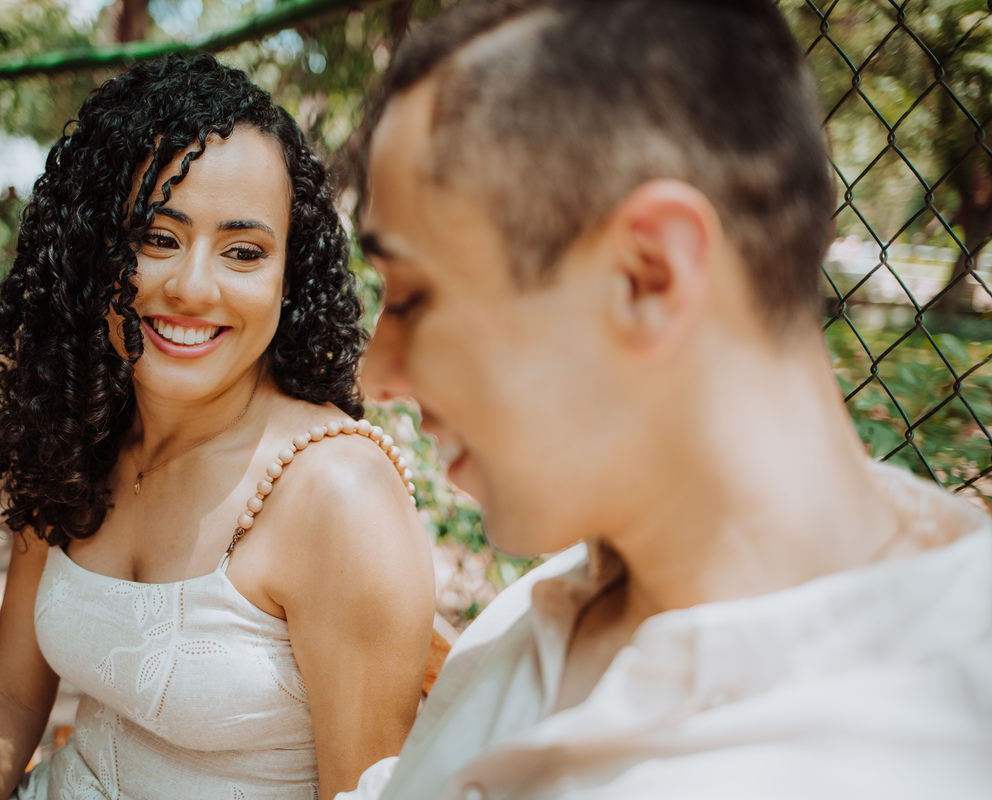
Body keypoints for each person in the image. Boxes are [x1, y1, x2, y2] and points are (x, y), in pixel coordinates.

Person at [350, 0, 992, 797]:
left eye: (410, 297)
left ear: (647, 277)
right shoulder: (546, 611)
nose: (375, 376)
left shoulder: (924, 758)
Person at [0, 54, 436, 800]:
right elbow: (4, 698)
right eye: (157, 237)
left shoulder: (336, 493)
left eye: (244, 252)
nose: (193, 288)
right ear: (93, 248)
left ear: (288, 279)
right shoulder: (83, 426)